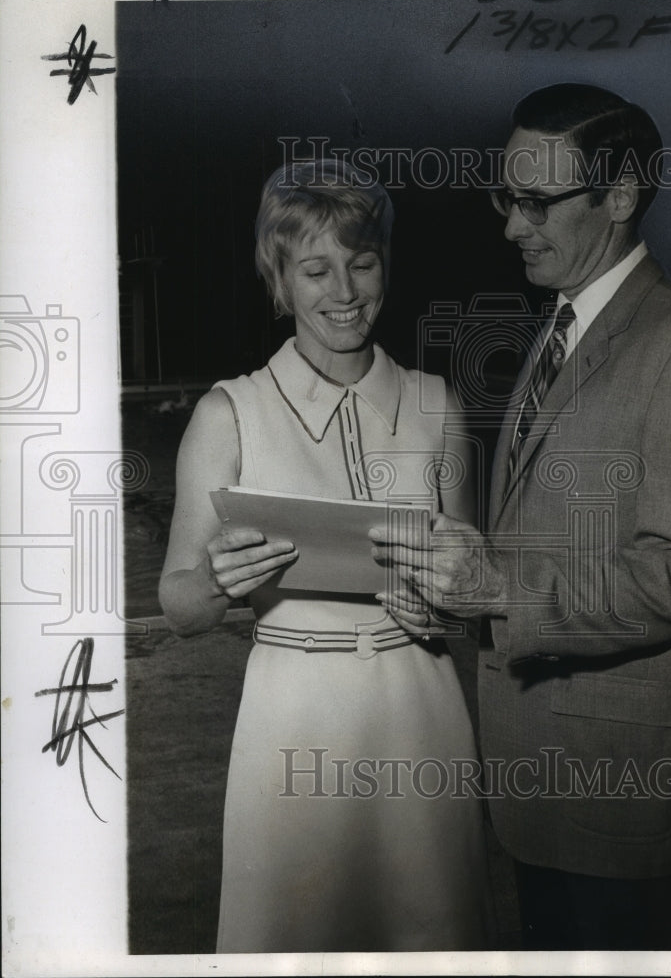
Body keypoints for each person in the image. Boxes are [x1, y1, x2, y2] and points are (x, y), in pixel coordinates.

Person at [370, 83, 671, 950]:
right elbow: (539, 537)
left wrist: (500, 585)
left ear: (619, 197)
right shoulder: (564, 322)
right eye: (506, 197)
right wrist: (460, 601)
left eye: (537, 202)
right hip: (543, 781)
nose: (511, 226)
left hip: (623, 794)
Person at [158, 159, 489, 953]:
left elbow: (480, 594)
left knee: (432, 935)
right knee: (292, 936)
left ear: (386, 268)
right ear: (280, 280)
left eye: (362, 262)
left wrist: (447, 607)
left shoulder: (437, 403)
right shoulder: (227, 412)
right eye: (315, 268)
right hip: (292, 713)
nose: (343, 289)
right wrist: (214, 581)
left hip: (420, 708)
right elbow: (178, 607)